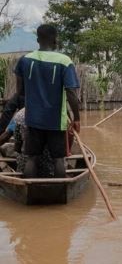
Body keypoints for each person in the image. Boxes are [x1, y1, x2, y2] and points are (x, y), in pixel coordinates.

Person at [15, 24, 80, 178]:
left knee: (32, 158)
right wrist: (76, 118)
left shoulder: (24, 60)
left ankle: (29, 190)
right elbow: (71, 93)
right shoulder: (65, 61)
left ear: (37, 39)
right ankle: (60, 192)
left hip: (32, 119)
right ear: (55, 40)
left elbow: (20, 92)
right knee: (58, 159)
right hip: (56, 121)